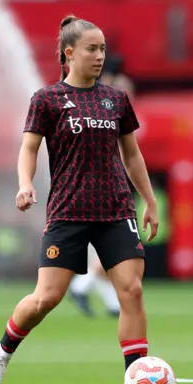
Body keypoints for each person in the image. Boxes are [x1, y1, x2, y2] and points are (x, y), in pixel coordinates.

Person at [0, 15, 159, 384]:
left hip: (115, 210)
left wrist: (149, 201)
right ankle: (2, 351)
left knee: (132, 291)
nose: (100, 56)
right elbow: (28, 148)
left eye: (103, 49)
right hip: (68, 212)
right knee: (47, 298)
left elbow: (132, 154)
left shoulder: (116, 99)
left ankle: (134, 381)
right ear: (69, 53)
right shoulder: (46, 99)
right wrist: (25, 185)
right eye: (92, 49)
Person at [68, 56, 136, 318]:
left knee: (106, 247)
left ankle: (112, 305)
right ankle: (80, 286)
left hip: (104, 177)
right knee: (113, 245)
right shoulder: (114, 94)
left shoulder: (96, 95)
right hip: (107, 181)